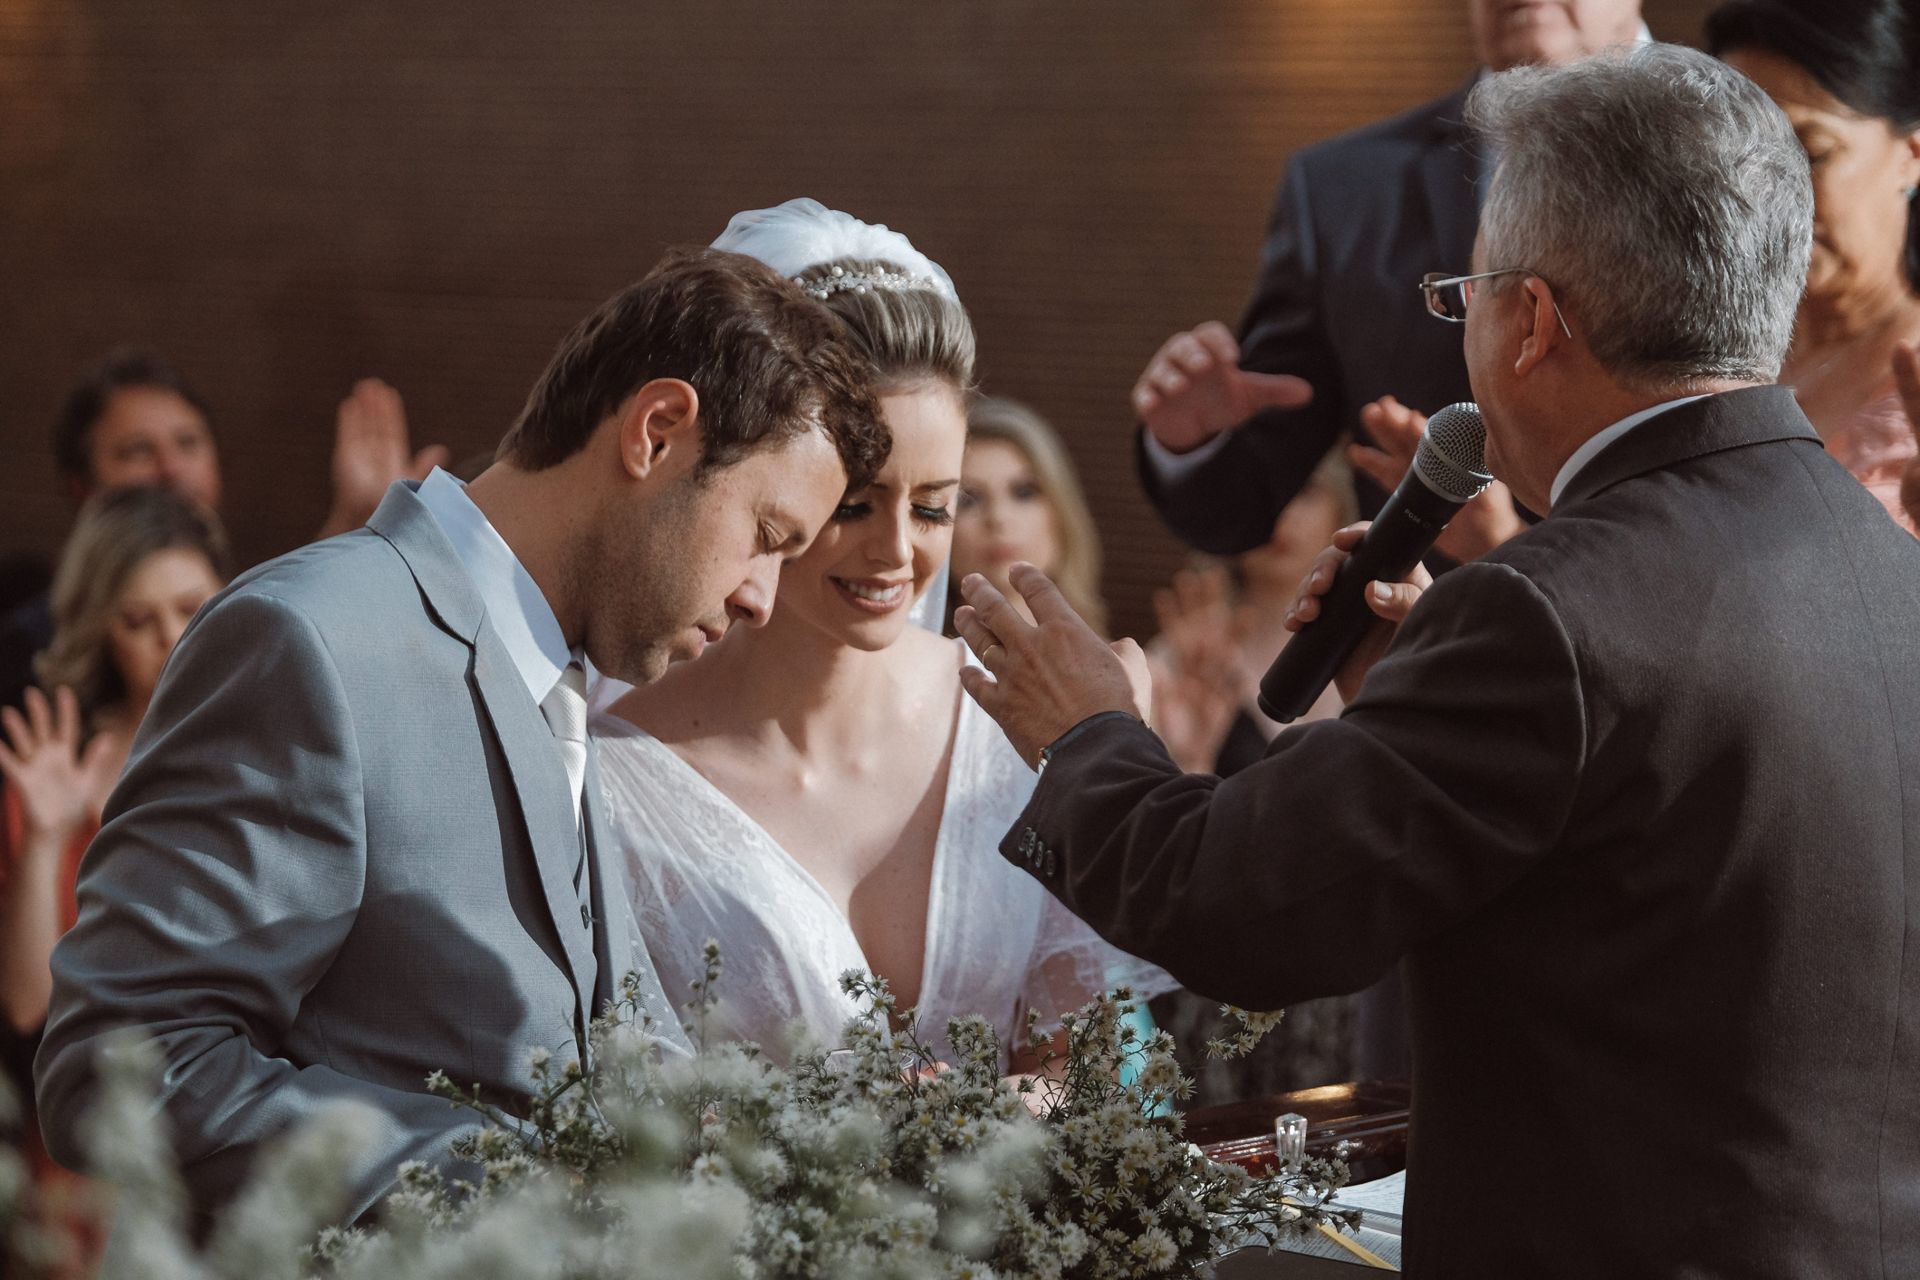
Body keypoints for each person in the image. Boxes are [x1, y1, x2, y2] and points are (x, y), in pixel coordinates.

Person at [954, 45, 1920, 1276]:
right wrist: (1410, 712)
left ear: (1533, 321)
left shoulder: (1546, 611)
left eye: (1464, 297)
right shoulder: (1888, 563)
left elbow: (1239, 905)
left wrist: (1085, 731)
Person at [33, 247, 890, 1227]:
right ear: (658, 431)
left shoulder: (575, 678)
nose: (762, 597)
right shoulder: (310, 638)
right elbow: (120, 1066)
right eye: (769, 534)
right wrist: (512, 1194)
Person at [595, 201, 1169, 1075]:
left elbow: (1092, 1073)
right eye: (855, 505)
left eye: (937, 505)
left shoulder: (1020, 722)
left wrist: (986, 1125)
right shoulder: (615, 771)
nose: (899, 552)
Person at [1129, 0, 1646, 560]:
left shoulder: (1747, 142)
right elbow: (1245, 499)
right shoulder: (1344, 192)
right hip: (1431, 630)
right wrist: (1192, 440)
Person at [0, 486, 228, 1270]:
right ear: (101, 630)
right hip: (88, 1154)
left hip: (231, 1136)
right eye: (139, 620)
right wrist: (47, 839)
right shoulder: (56, 768)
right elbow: (31, 1002)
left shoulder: (273, 744)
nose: (173, 636)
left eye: (193, 605)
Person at [0, 352, 448, 714]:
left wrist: (357, 533)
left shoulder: (253, 598)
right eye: (138, 451)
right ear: (79, 485)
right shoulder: (29, 655)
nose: (171, 468)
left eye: (188, 443)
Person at [1708, 0, 1920, 533]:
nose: (1761, 194)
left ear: (1912, 154)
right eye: (1738, 158)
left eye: (1813, 152)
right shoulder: (1689, 353)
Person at [950, 396, 1107, 637]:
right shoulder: (905, 666)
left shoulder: (1122, 665)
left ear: (1061, 509)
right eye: (968, 500)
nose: (998, 518)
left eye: (1024, 492)